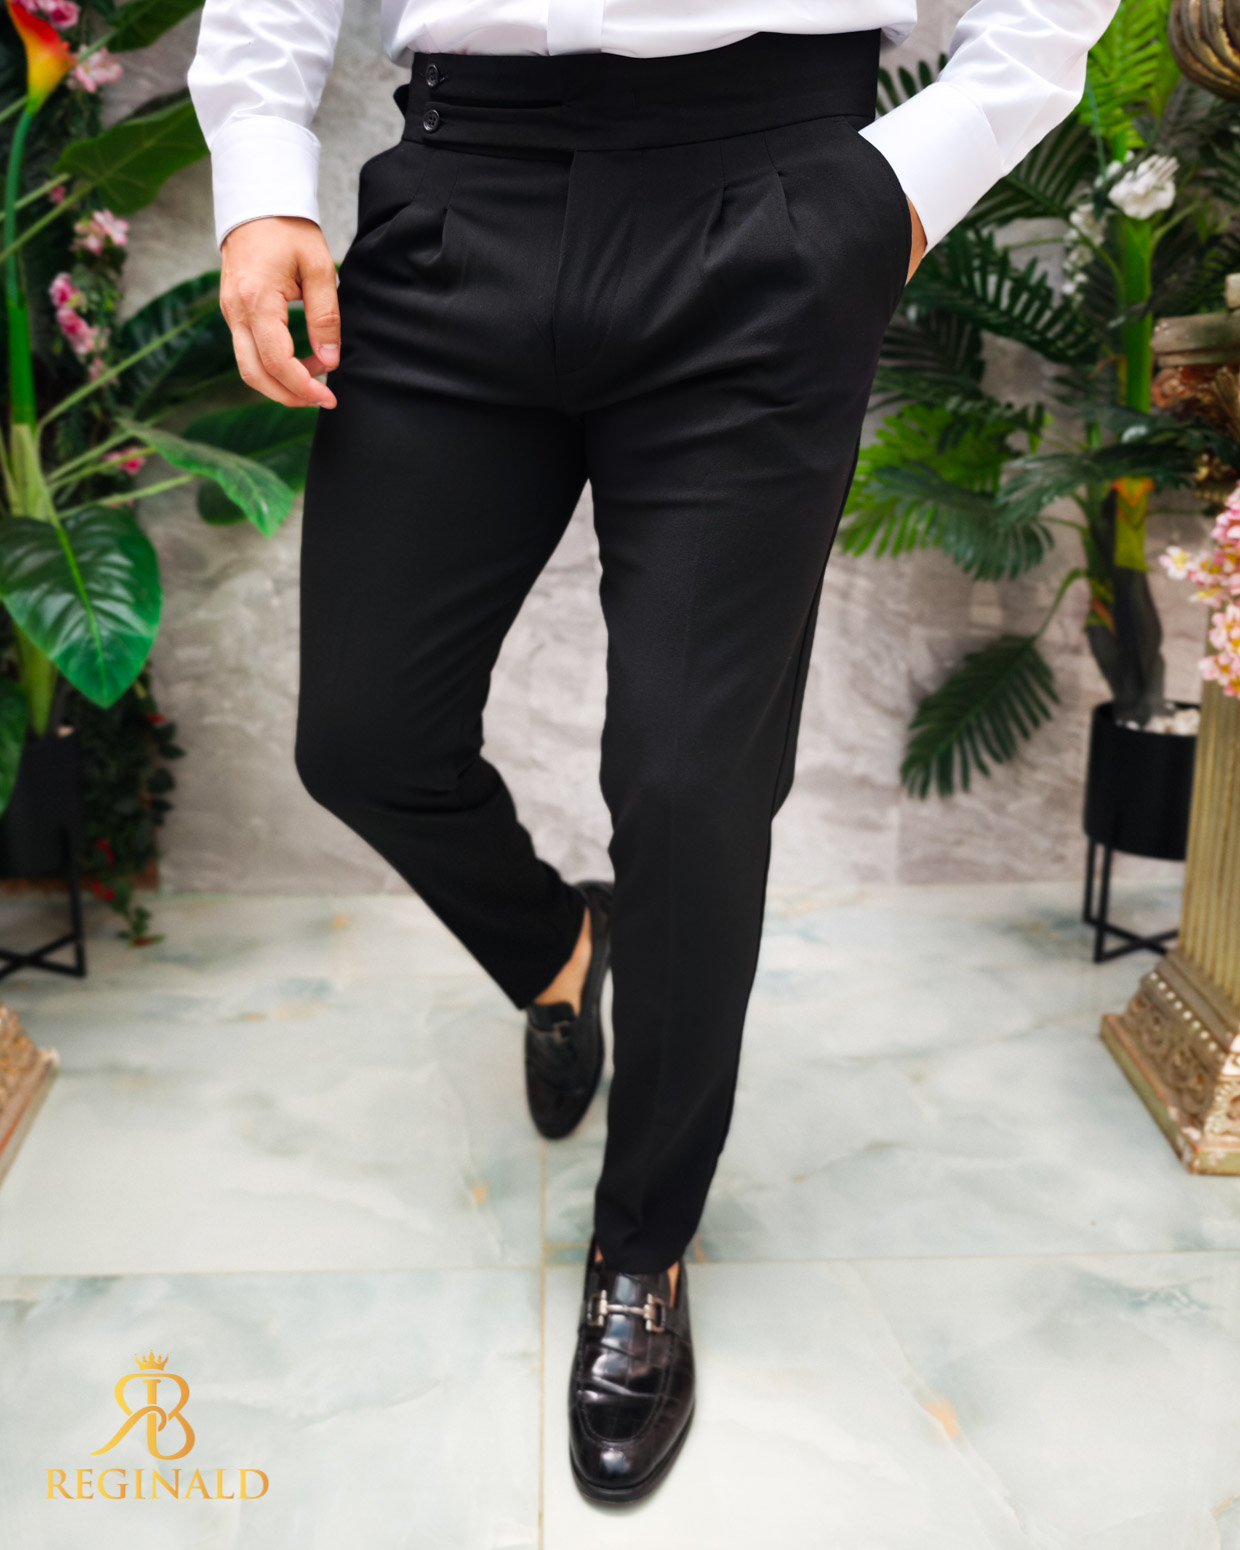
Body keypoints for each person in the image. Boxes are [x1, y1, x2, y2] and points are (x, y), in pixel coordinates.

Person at [188, 0, 1120, 1504]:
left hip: (774, 193)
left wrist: (912, 176)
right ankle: (562, 946)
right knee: (363, 735)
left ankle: (644, 1247)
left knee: (692, 792)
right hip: (462, 188)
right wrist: (260, 175)